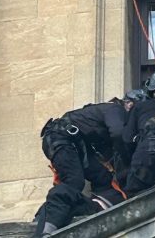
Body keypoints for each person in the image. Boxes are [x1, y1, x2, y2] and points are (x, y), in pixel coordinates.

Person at [34, 99, 130, 237]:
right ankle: (43, 220)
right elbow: (117, 133)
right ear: (127, 104)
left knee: (103, 178)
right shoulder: (115, 109)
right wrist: (127, 156)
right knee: (73, 182)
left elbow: (108, 150)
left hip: (77, 145)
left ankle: (94, 206)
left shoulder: (98, 118)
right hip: (60, 139)